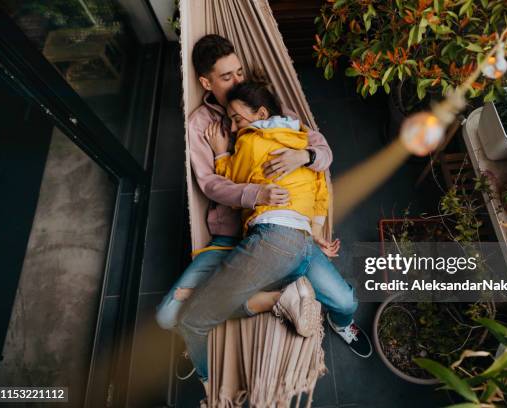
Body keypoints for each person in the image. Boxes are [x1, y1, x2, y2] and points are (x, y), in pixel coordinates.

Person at [155, 35, 371, 385]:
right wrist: (256, 192)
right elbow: (210, 184)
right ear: (206, 83)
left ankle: (336, 323)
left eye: (239, 71)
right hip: (233, 233)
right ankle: (257, 301)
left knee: (345, 303)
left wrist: (306, 156)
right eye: (227, 77)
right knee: (167, 317)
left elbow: (321, 149)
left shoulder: (262, 101)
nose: (239, 80)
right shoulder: (200, 127)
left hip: (285, 229)